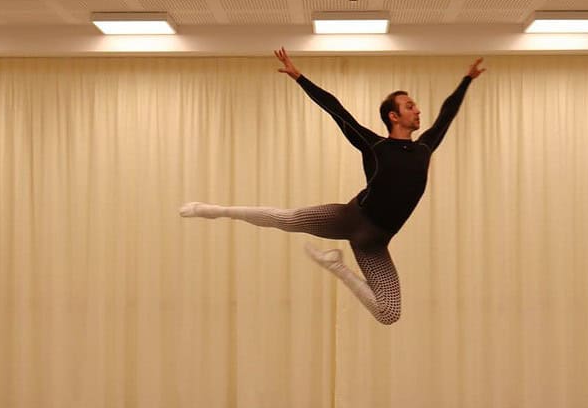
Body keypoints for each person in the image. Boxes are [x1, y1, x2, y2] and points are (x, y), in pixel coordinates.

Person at [180, 48, 485, 325]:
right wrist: (299, 77)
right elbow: (336, 110)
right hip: (350, 218)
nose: (417, 110)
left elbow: (447, 115)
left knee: (389, 313)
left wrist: (466, 81)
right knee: (284, 219)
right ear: (394, 116)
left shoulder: (424, 149)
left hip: (375, 243)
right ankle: (213, 210)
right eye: (410, 106)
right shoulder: (374, 145)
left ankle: (335, 265)